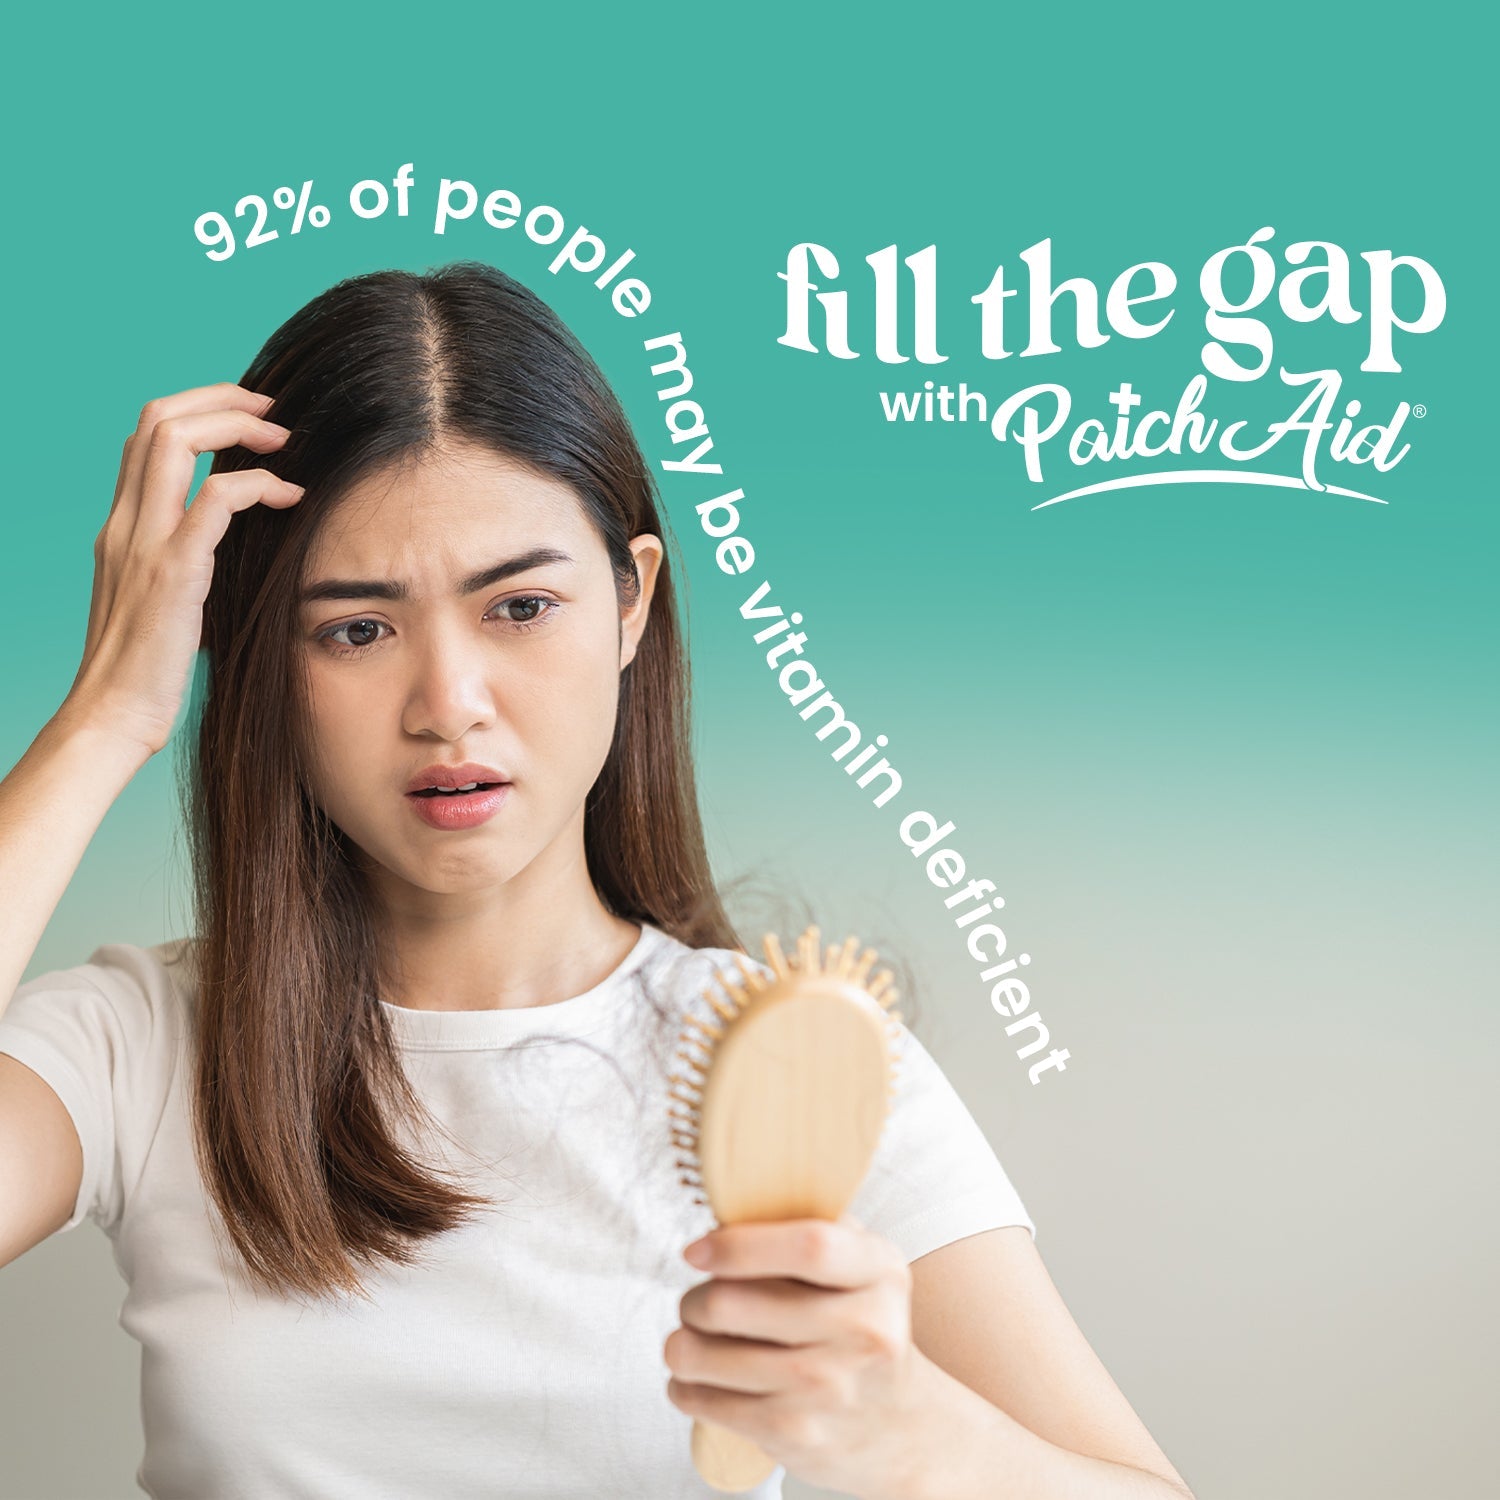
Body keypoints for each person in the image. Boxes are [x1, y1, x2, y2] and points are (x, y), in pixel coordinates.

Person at [0, 261, 1194, 1500]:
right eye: (354, 628)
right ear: (256, 655)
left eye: (519, 606)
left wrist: (902, 1428)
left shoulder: (787, 1061)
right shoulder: (137, 1045)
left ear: (632, 605)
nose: (447, 704)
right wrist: (103, 723)